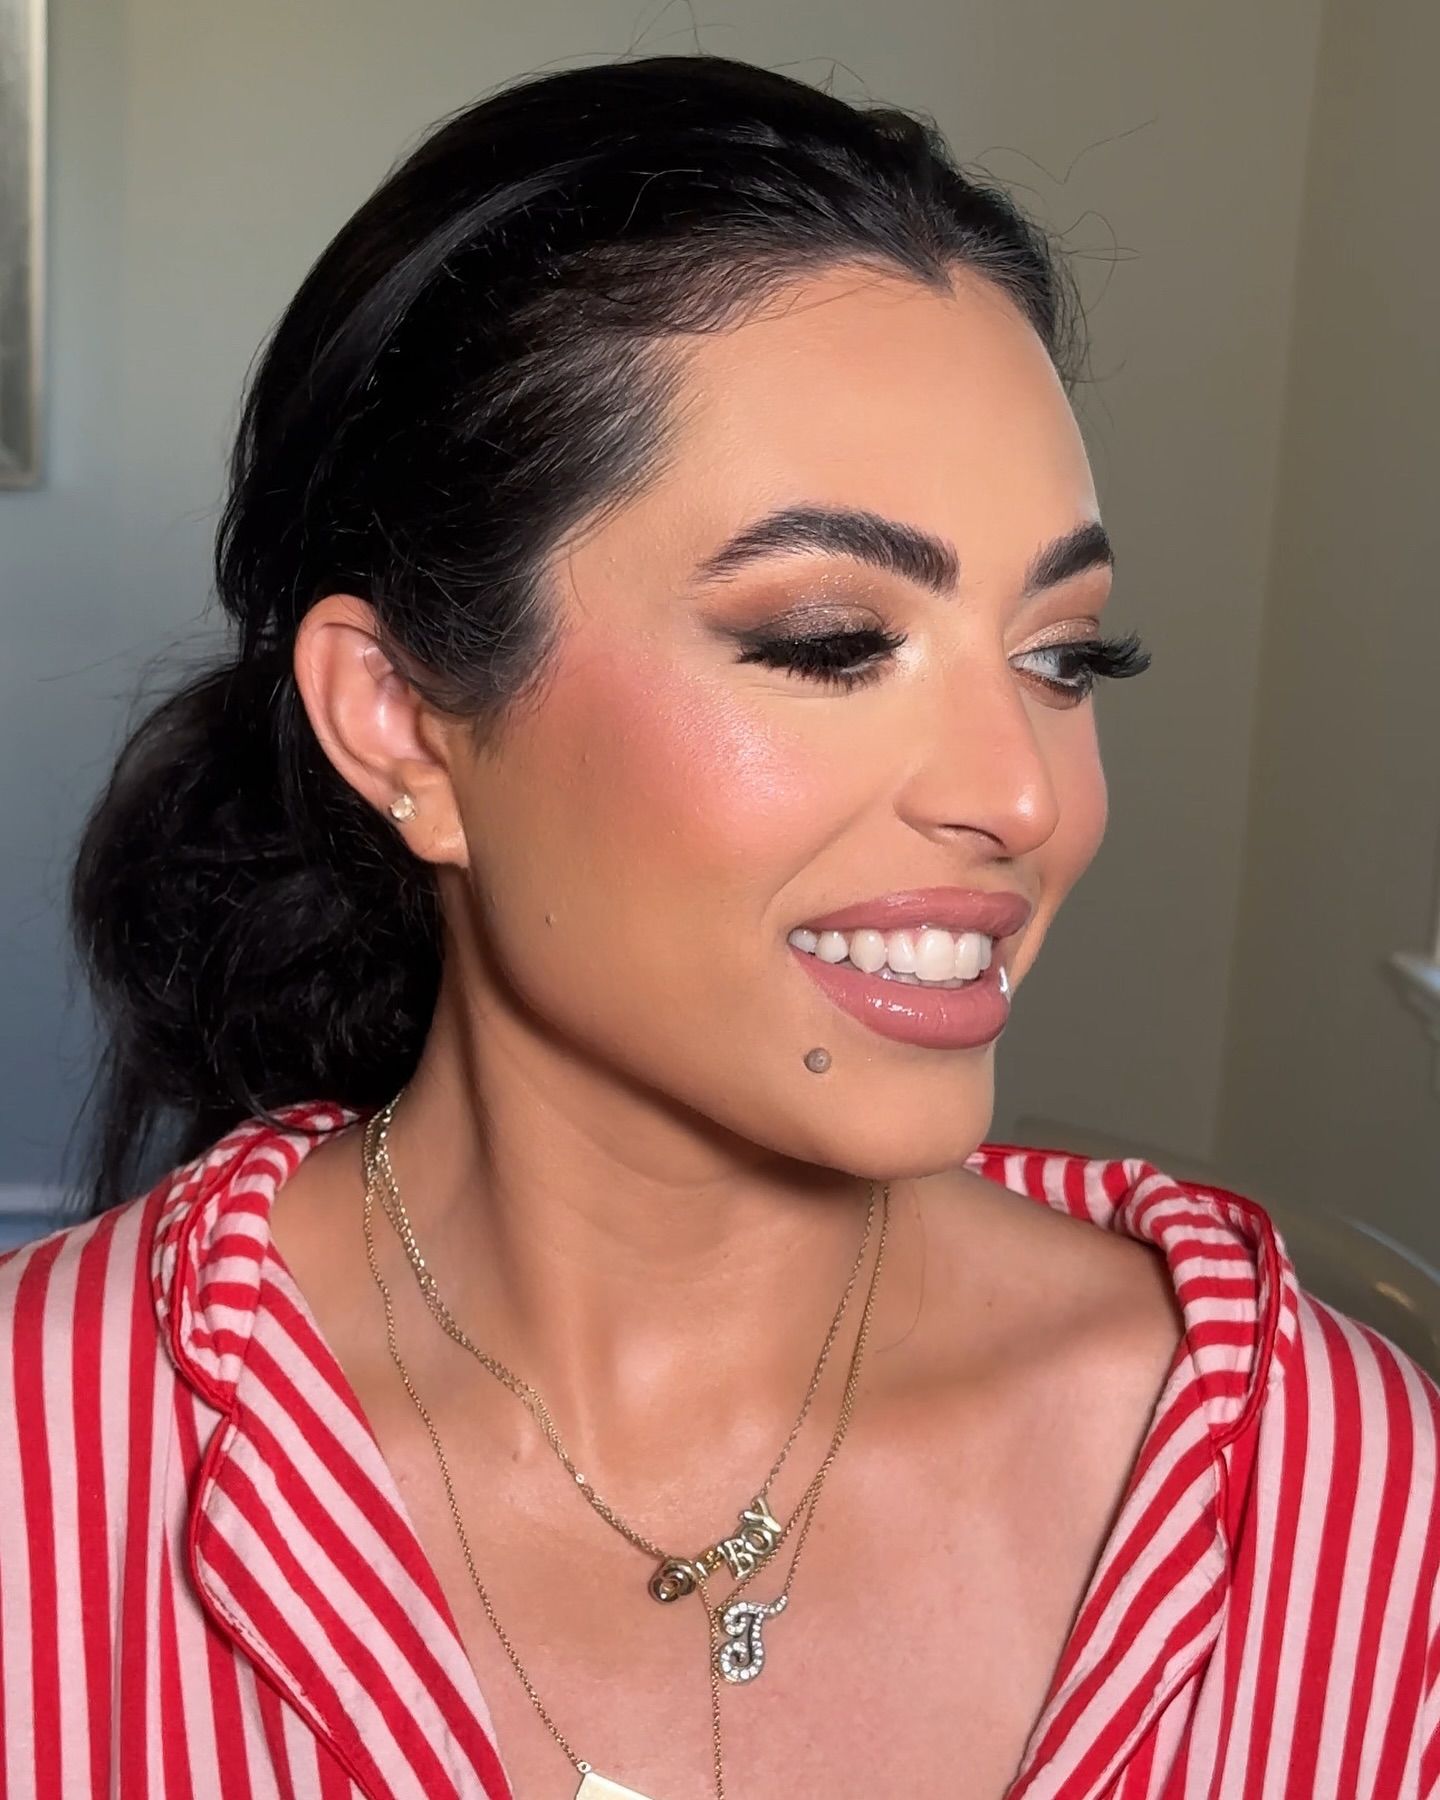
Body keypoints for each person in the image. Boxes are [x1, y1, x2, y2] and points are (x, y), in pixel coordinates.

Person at [2, 49, 1436, 1800]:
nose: (1028, 796)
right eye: (832, 641)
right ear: (400, 721)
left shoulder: (1328, 1488)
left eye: (1064, 659)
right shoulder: (37, 1467)